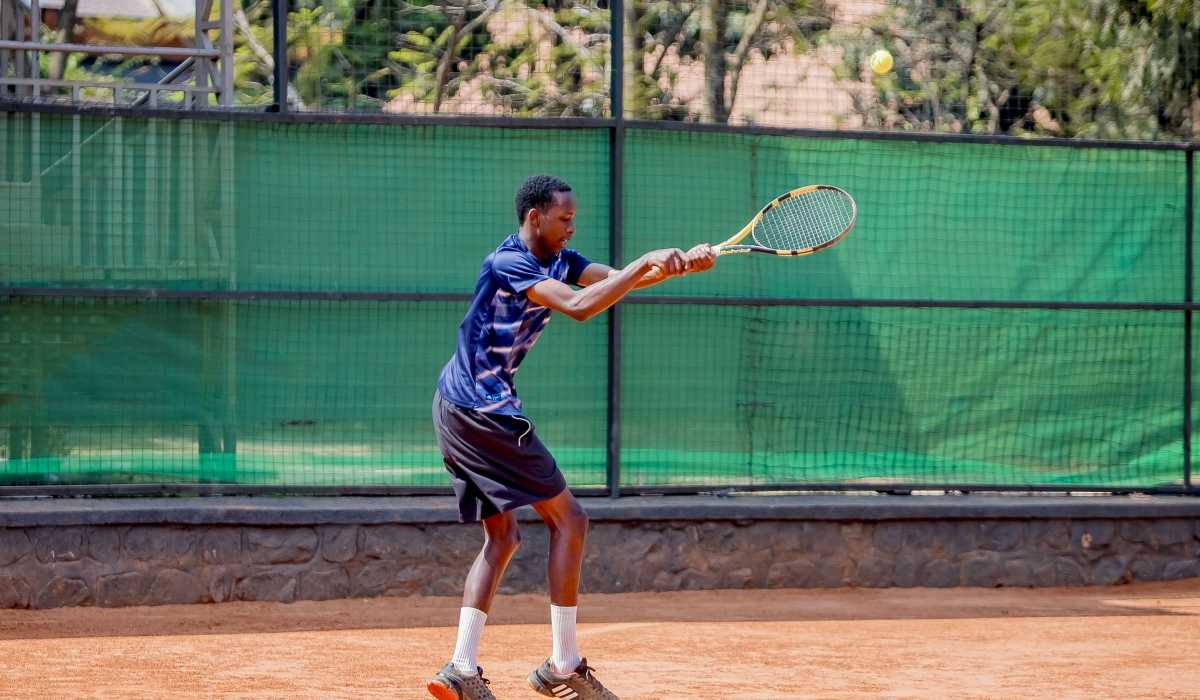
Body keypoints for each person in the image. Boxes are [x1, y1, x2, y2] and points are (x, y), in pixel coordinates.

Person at [426, 175, 715, 700]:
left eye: (573, 218)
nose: (571, 226)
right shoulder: (509, 262)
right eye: (564, 218)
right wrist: (645, 259)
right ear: (534, 217)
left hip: (454, 408)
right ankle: (562, 665)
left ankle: (460, 669)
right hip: (482, 412)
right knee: (571, 520)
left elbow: (615, 282)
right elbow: (580, 306)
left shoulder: (562, 259)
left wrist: (676, 266)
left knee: (503, 536)